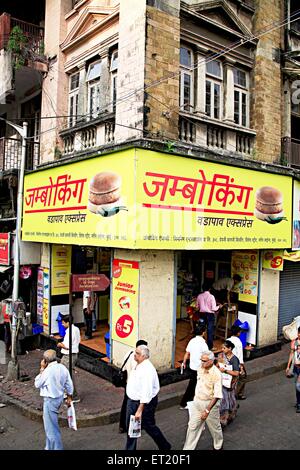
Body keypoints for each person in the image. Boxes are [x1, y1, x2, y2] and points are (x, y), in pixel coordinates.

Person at [125, 344, 171, 451]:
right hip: (133, 401)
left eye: (137, 353)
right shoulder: (139, 364)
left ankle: (164, 446)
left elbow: (146, 392)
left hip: (141, 403)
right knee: (132, 428)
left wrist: (139, 410)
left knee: (148, 426)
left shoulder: (147, 370)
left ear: (144, 356)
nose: (134, 355)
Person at [183, 350, 223, 450]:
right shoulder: (200, 368)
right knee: (192, 427)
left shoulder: (216, 374)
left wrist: (207, 410)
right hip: (197, 402)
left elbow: (217, 395)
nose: (202, 363)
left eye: (204, 361)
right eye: (201, 360)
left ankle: (218, 446)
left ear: (211, 361)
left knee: (215, 428)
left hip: (209, 404)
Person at [34, 349, 74, 451]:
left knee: (51, 428)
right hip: (59, 398)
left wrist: (42, 369)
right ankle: (49, 447)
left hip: (50, 400)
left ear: (45, 361)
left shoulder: (47, 371)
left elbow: (37, 384)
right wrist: (69, 396)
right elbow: (69, 385)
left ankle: (57, 448)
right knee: (50, 425)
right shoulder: (62, 368)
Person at [119, 339, 148, 433]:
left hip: (127, 383)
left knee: (125, 404)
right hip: (135, 386)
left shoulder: (128, 353)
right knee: (136, 406)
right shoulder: (139, 360)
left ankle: (122, 426)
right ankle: (134, 426)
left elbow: (123, 368)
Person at [179, 324, 209, 409]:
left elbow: (187, 353)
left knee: (194, 384)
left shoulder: (192, 341)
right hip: (200, 368)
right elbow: (207, 356)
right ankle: (184, 403)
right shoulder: (203, 343)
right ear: (203, 333)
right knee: (194, 385)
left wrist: (184, 362)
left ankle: (191, 401)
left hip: (192, 366)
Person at [57, 315, 81, 402]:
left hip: (69, 355)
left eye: (63, 323)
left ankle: (74, 396)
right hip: (71, 355)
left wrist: (60, 344)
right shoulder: (76, 329)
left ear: (68, 322)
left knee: (67, 376)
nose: (62, 325)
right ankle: (66, 393)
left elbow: (67, 346)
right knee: (64, 374)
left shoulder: (70, 332)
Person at [217, 340, 240, 427]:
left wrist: (226, 370)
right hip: (222, 381)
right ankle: (223, 418)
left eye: (224, 348)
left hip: (231, 383)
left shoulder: (234, 359)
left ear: (230, 348)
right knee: (224, 399)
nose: (222, 349)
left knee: (229, 397)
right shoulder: (221, 356)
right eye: (222, 348)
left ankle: (230, 412)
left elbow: (236, 373)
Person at [196, 282, 223, 350]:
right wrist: (219, 306)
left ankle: (199, 346)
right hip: (210, 315)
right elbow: (213, 308)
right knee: (210, 330)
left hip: (202, 314)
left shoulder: (199, 296)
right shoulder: (211, 296)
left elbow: (197, 307)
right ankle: (210, 347)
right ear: (210, 289)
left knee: (201, 329)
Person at [227, 325, 247, 400]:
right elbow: (240, 355)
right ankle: (238, 393)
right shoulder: (238, 342)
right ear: (238, 333)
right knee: (243, 377)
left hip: (229, 362)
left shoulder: (228, 340)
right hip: (237, 363)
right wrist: (241, 366)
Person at [286, 326, 300, 413]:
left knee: (298, 386)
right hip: (295, 367)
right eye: (299, 333)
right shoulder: (294, 342)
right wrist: (288, 366)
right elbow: (291, 354)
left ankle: (299, 404)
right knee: (296, 386)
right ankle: (298, 401)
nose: (299, 335)